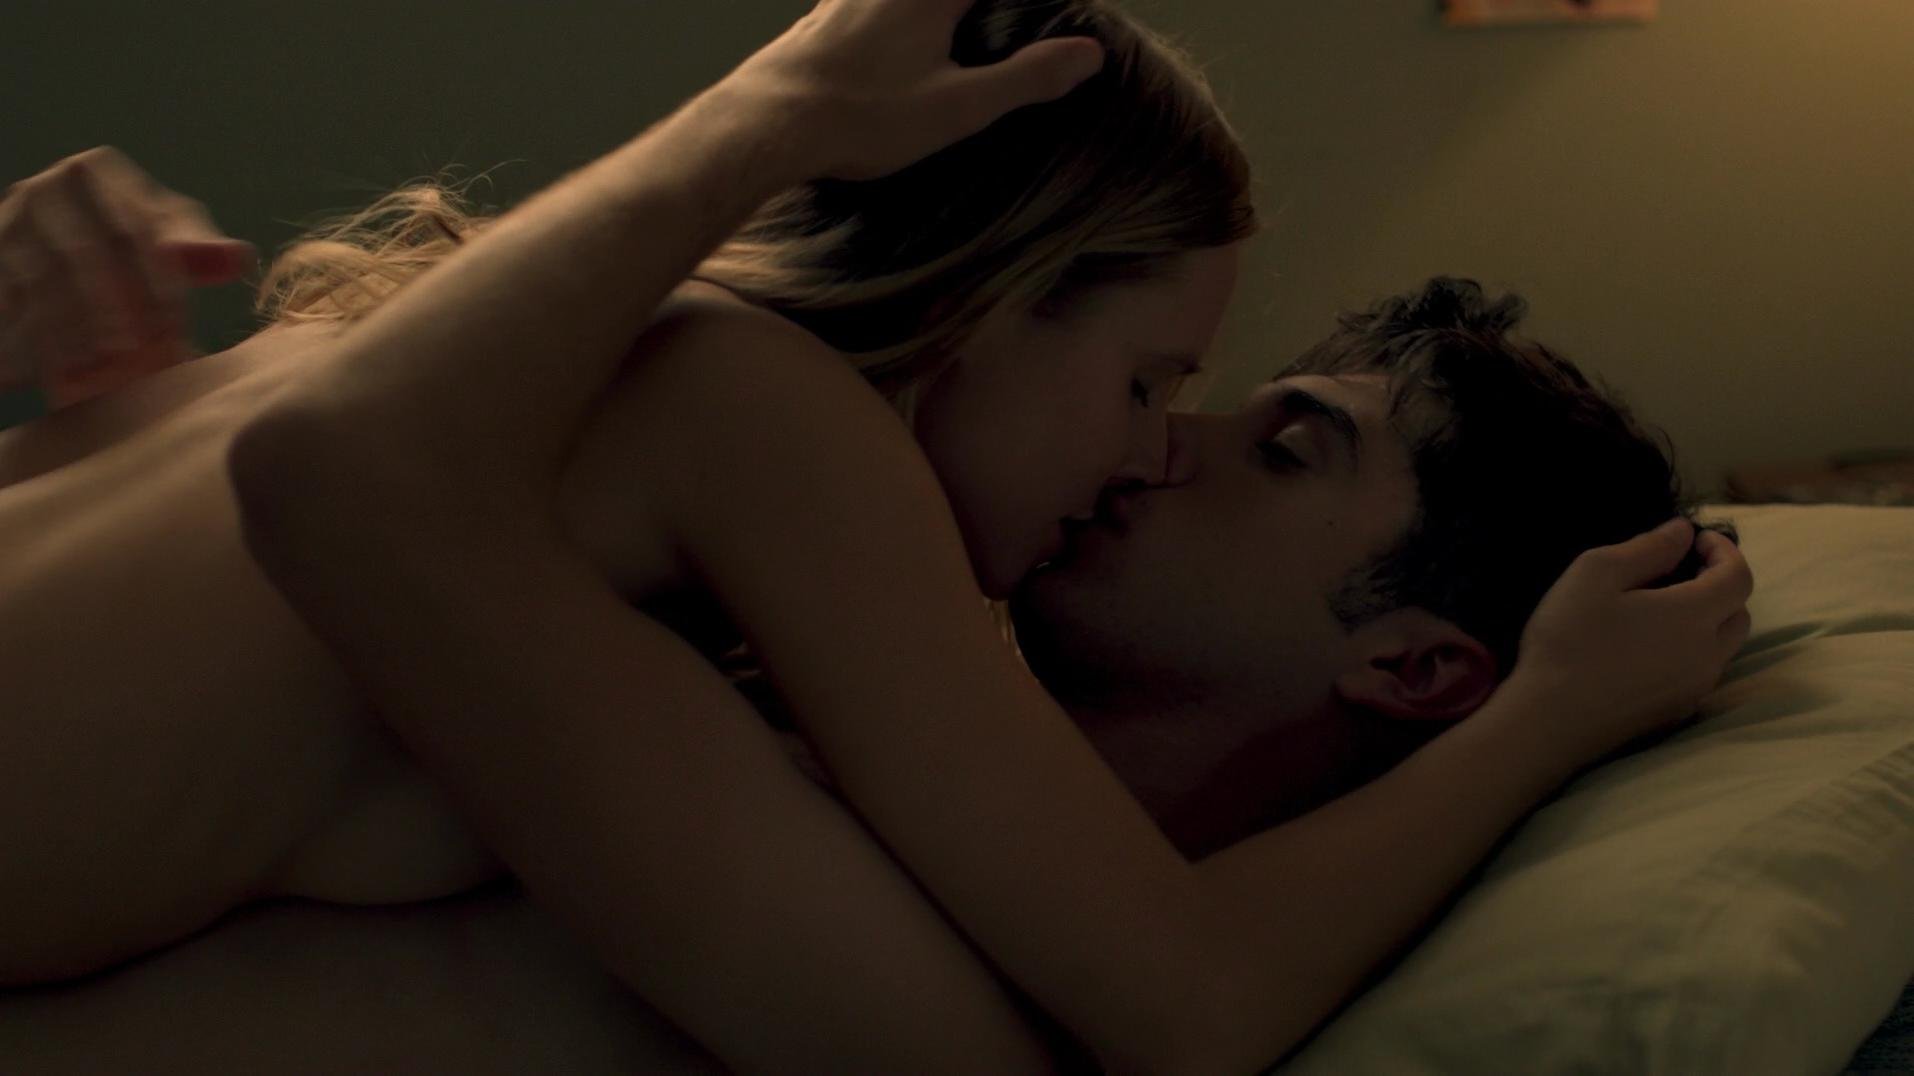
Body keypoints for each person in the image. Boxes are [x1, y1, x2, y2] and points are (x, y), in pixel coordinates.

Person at [0, 2, 1748, 1071]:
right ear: (993, 297)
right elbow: (1188, 1003)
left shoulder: (539, 414)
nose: (1152, 447)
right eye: (1147, 379)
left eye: (1214, 411)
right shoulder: (742, 398)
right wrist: (1549, 716)